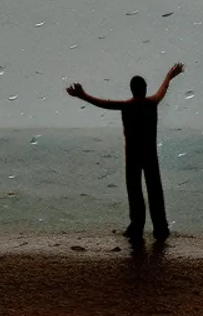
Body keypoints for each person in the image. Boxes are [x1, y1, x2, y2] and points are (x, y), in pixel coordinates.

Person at [66, 62, 185, 242]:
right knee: (155, 191)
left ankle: (137, 227)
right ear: (144, 89)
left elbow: (102, 104)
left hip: (133, 157)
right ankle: (160, 228)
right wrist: (169, 75)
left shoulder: (127, 106)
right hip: (150, 156)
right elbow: (163, 89)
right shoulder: (151, 103)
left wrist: (82, 95)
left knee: (135, 192)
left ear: (132, 90)